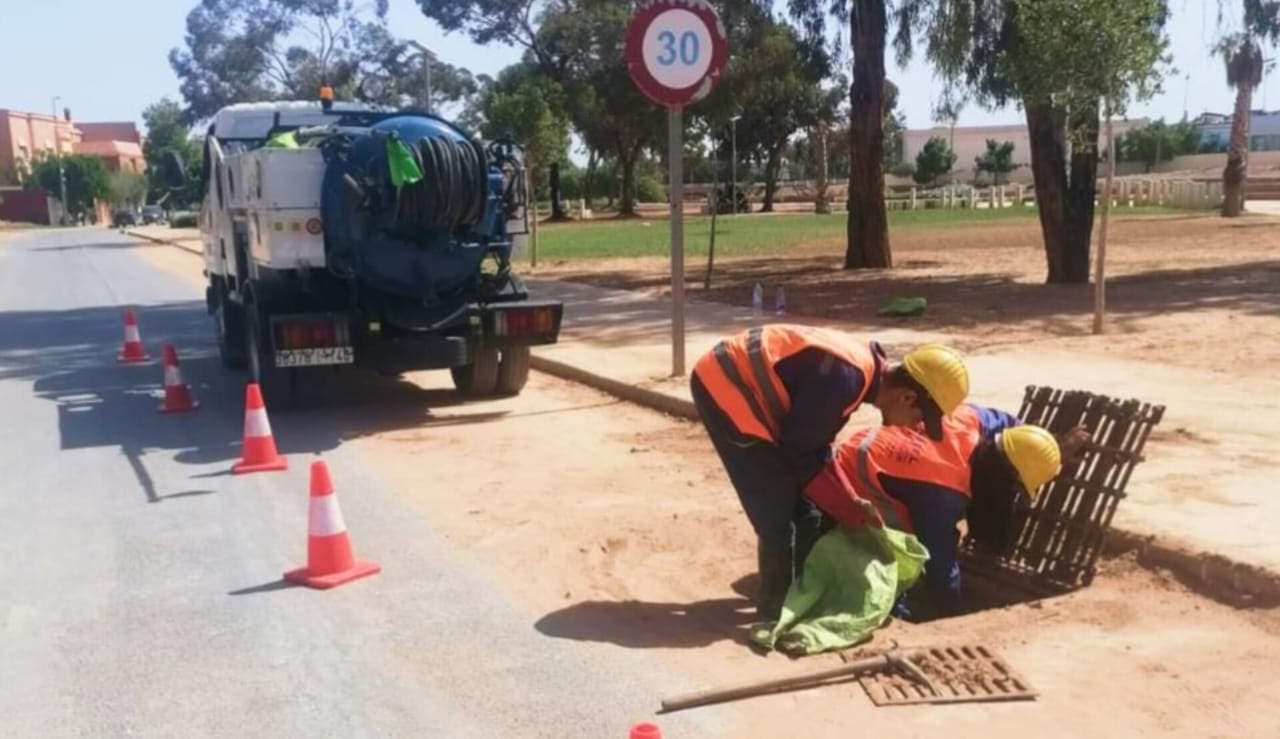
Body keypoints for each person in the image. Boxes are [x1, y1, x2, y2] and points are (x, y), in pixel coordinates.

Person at [690, 324, 970, 618]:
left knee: (806, 504)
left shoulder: (860, 374)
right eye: (919, 420)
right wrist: (849, 512)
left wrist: (850, 502)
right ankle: (775, 608)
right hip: (725, 384)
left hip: (748, 385)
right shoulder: (843, 379)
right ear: (907, 398)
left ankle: (803, 591)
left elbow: (816, 447)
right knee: (776, 508)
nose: (913, 428)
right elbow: (798, 454)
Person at [803, 403, 1084, 618]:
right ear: (1003, 476)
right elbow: (939, 561)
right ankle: (895, 603)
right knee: (900, 556)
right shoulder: (944, 493)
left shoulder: (977, 421)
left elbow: (1018, 432)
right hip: (845, 484)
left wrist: (1049, 447)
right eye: (1014, 487)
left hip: (869, 451)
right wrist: (953, 611)